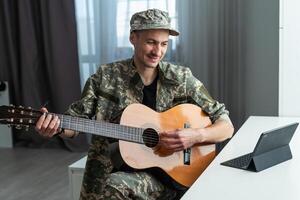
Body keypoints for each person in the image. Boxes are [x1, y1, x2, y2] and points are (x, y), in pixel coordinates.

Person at [35, 8, 234, 200]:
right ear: (133, 38)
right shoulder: (105, 77)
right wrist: (56, 127)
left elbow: (226, 126)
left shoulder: (181, 78)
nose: (158, 51)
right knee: (113, 185)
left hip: (170, 177)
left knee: (115, 186)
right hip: (112, 171)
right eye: (151, 42)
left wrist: (195, 135)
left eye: (164, 44)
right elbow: (76, 123)